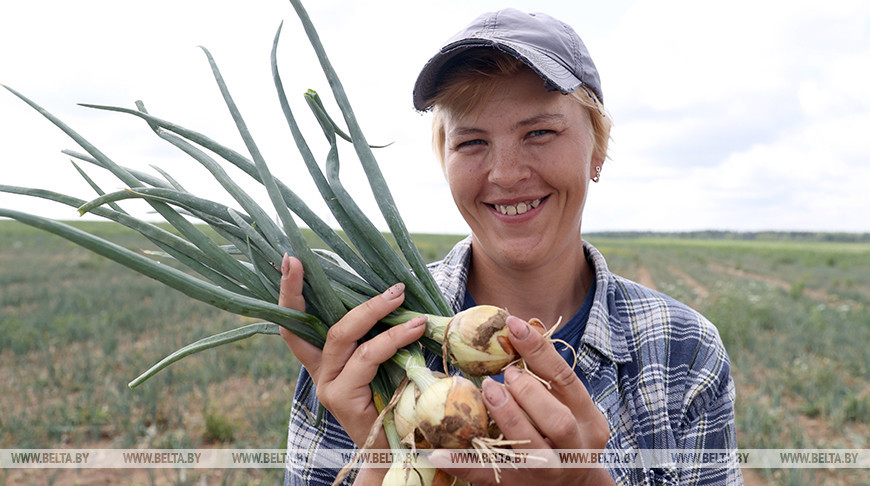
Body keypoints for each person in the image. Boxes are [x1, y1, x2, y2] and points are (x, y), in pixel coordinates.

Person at [279, 8, 741, 486]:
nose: (505, 173)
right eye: (472, 142)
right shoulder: (362, 343)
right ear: (445, 160)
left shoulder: (683, 351)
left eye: (539, 132)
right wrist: (380, 458)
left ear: (597, 148)